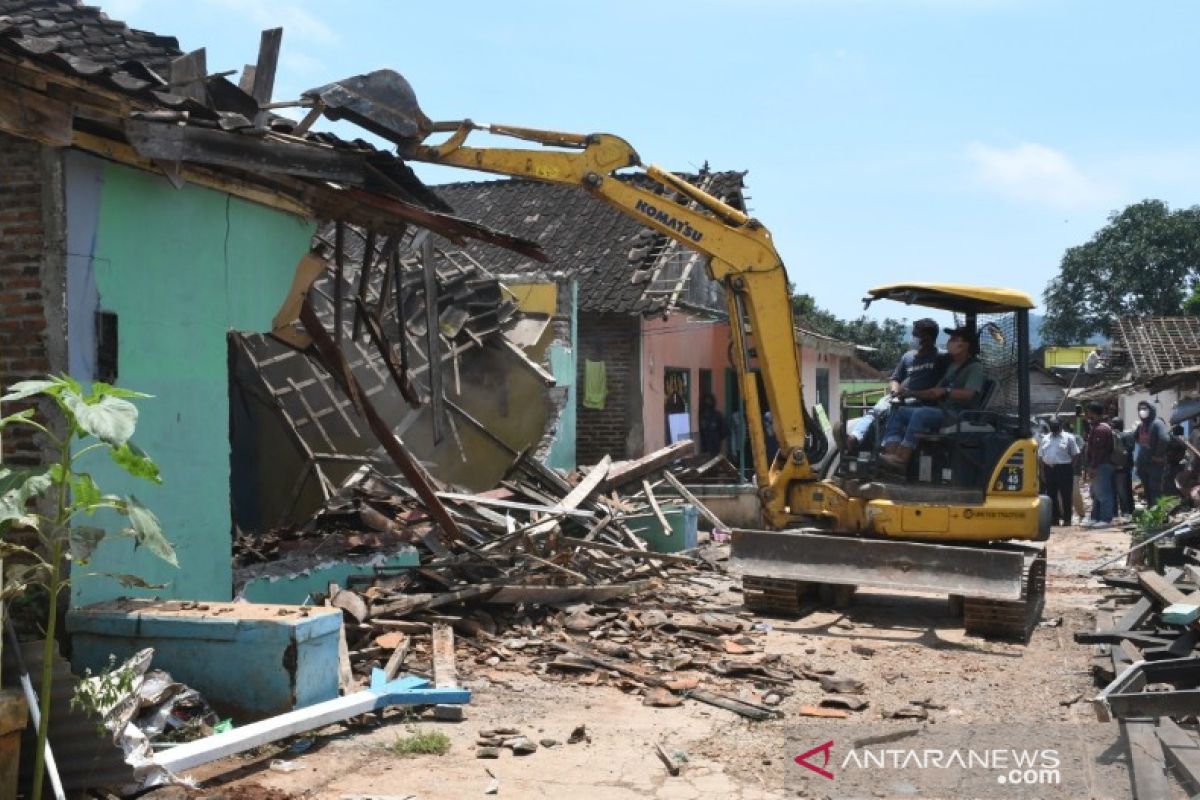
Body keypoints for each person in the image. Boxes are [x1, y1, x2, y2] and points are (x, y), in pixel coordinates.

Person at [879, 327, 985, 469]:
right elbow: (933, 392)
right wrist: (910, 393)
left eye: (954, 340)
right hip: (943, 411)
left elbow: (969, 394)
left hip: (959, 414)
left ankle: (902, 458)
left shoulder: (975, 368)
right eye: (950, 339)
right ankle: (890, 452)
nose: (949, 343)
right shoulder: (952, 365)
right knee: (900, 412)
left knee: (921, 413)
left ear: (966, 345)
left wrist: (946, 391)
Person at [846, 318, 948, 452]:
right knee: (877, 409)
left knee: (894, 411)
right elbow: (895, 378)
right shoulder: (908, 356)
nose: (913, 338)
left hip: (921, 400)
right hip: (899, 396)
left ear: (928, 338)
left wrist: (910, 394)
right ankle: (853, 438)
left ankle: (885, 448)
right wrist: (895, 391)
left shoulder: (941, 357)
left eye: (916, 335)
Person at [1039, 417, 1079, 526]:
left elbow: (1075, 454)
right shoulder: (1045, 438)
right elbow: (1041, 457)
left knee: (1066, 495)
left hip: (1064, 468)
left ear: (1061, 425)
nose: (1053, 426)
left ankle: (1067, 519)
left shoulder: (1069, 437)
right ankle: (1054, 519)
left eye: (1055, 424)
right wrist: (1042, 472)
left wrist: (1070, 467)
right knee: (1051, 495)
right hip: (1049, 469)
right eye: (1051, 424)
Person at [1082, 401, 1115, 528]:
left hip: (1101, 465)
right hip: (1098, 465)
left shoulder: (1101, 429)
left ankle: (1106, 519)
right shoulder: (1096, 427)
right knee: (1096, 493)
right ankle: (1096, 517)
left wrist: (1093, 466)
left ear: (1093, 412)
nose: (1086, 414)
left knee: (1104, 492)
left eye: (1088, 411)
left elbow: (1099, 451)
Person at [1134, 400, 1170, 507]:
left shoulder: (1157, 423)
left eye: (1144, 409)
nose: (1142, 411)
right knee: (1148, 489)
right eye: (1140, 409)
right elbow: (1134, 437)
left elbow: (1164, 439)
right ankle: (1151, 512)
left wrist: (1158, 455)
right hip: (1144, 464)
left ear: (1151, 410)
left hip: (1155, 464)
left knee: (1155, 489)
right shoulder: (1141, 426)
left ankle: (1160, 515)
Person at [1111, 417, 1135, 518]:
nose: (1112, 425)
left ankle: (1124, 512)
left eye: (1114, 423)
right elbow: (1130, 449)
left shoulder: (1121, 435)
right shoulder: (1127, 435)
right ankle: (1126, 512)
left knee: (1121, 492)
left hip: (1120, 468)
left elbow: (1128, 450)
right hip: (1123, 468)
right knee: (1123, 491)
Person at [1165, 424, 1188, 499]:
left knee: (1170, 485)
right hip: (1178, 465)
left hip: (1171, 465)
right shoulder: (1183, 440)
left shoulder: (1172, 439)